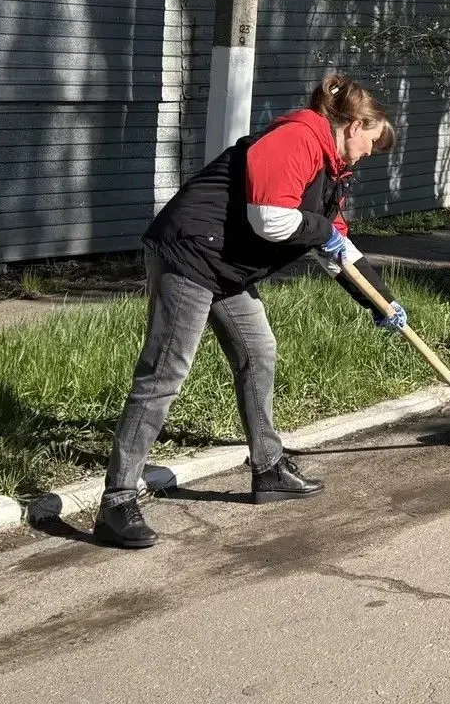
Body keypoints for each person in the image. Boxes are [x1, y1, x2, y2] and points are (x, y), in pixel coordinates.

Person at [94, 74, 406, 550]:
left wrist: (381, 301)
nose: (368, 154)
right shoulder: (298, 138)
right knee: (165, 374)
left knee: (258, 352)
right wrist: (323, 231)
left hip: (225, 265)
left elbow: (337, 250)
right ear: (355, 125)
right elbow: (272, 219)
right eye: (371, 143)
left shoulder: (330, 170)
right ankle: (116, 500)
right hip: (191, 254)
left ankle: (269, 467)